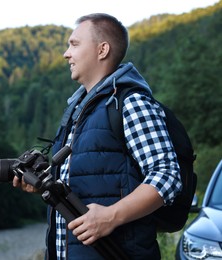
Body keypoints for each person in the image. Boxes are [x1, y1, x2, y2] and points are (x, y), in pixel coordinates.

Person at [13, 13, 182, 259]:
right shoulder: (79, 111)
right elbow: (92, 182)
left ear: (102, 50)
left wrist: (110, 216)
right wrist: (42, 185)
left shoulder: (131, 103)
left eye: (75, 44)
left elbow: (167, 175)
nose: (66, 53)